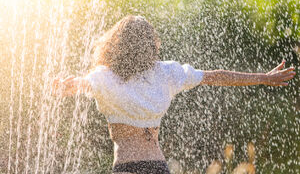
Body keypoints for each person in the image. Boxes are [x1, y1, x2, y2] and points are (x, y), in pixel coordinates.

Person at [52, 15, 296, 174]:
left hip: (126, 167)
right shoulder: (166, 73)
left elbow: (81, 83)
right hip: (158, 167)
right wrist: (263, 78)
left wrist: (67, 85)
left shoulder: (106, 78)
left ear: (116, 46)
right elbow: (215, 76)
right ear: (151, 44)